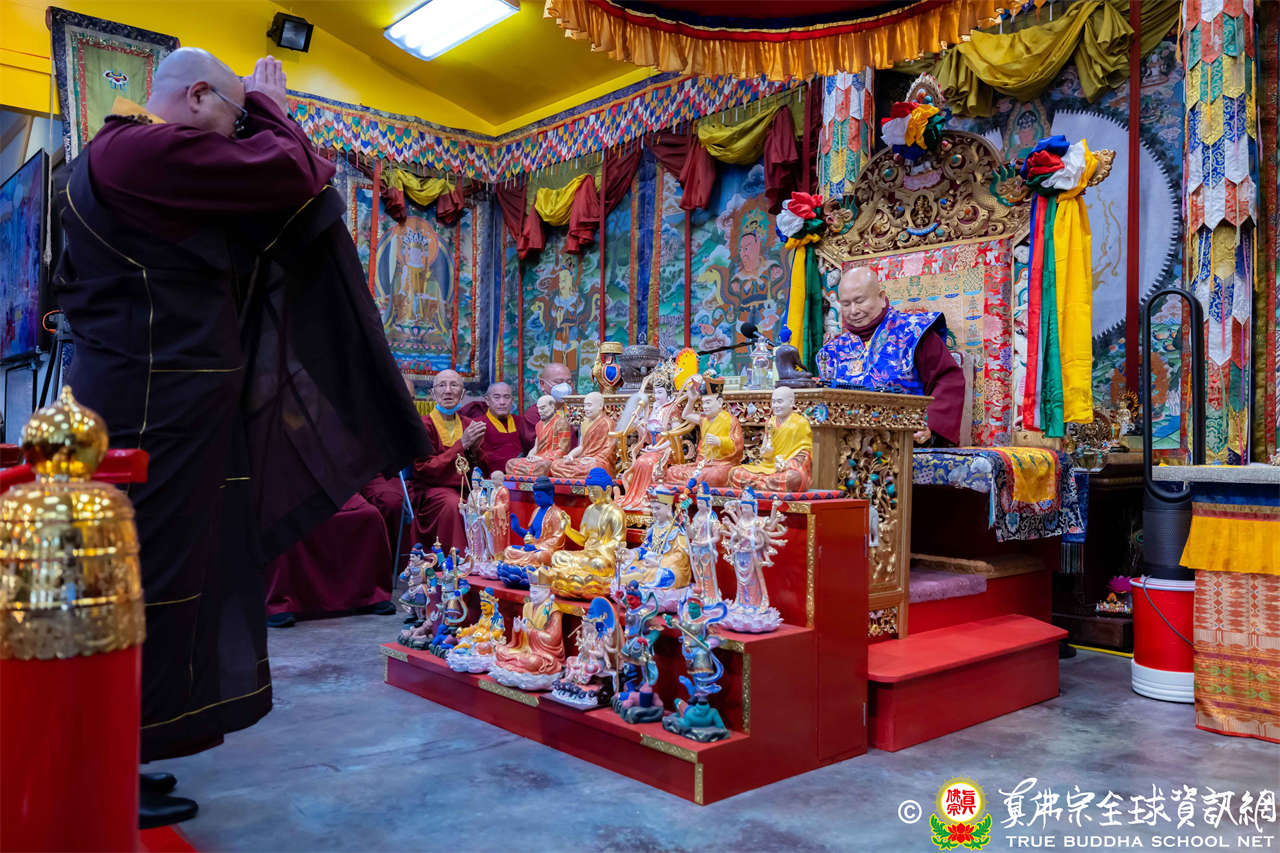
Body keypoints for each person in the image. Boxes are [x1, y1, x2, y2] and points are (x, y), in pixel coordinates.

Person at [53, 48, 427, 827]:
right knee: (147, 584)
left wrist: (248, 113)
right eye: (230, 119)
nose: (235, 135)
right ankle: (98, 767)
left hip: (163, 406)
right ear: (197, 97)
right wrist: (268, 107)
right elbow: (289, 173)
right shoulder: (140, 150)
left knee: (159, 585)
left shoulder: (134, 159)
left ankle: (120, 750)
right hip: (153, 410)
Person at [816, 267, 964, 446]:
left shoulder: (913, 332)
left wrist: (930, 423)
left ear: (881, 297)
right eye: (846, 304)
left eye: (860, 301)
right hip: (846, 446)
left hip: (905, 442)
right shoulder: (832, 351)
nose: (853, 310)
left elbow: (948, 379)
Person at [411, 369, 486, 551]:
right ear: (432, 393)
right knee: (454, 504)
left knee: (489, 503)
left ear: (463, 393)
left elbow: (480, 471)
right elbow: (423, 470)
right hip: (432, 491)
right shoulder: (423, 426)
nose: (448, 391)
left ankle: (484, 558)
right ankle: (456, 559)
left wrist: (474, 450)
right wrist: (462, 444)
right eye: (441, 385)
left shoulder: (469, 425)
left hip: (466, 489)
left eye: (454, 385)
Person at [459, 381, 533, 476]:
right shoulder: (476, 424)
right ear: (487, 400)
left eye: (506, 397)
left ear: (512, 400)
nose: (502, 402)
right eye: (497, 397)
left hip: (520, 478)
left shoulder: (521, 422)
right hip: (490, 479)